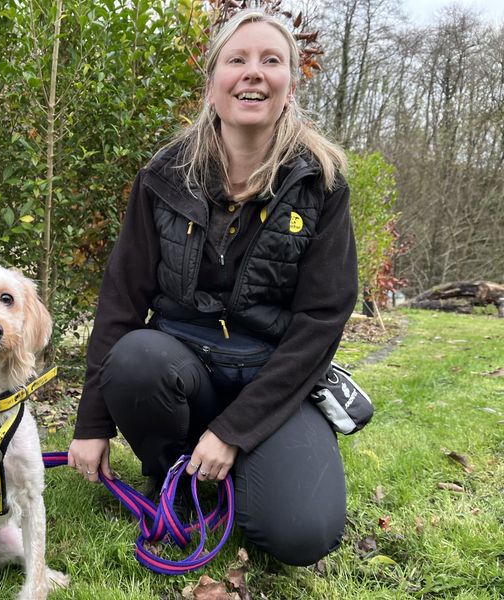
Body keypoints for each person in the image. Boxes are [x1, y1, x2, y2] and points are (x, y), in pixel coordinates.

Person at [67, 9, 358, 567]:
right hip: (180, 364)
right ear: (212, 84)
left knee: (301, 534)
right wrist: (93, 424)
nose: (254, 73)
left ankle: (237, 459)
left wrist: (234, 431)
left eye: (271, 61)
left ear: (290, 86)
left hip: (272, 377)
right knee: (135, 358)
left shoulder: (322, 183)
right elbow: (121, 301)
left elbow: (321, 322)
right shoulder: (164, 175)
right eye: (237, 60)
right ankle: (175, 469)